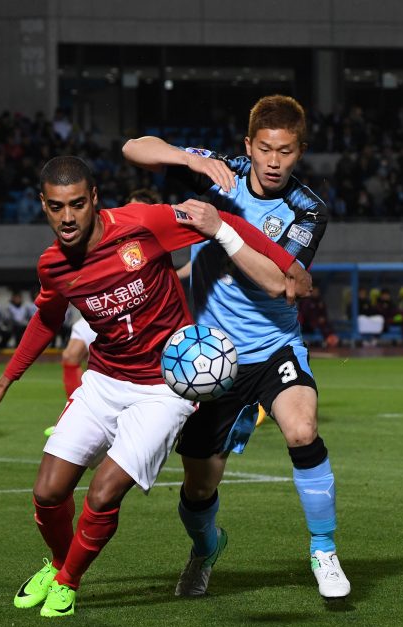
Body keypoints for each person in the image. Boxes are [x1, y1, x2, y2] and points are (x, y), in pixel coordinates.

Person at [0, 156, 302, 618]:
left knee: (102, 495)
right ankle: (59, 564)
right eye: (56, 207)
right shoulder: (53, 266)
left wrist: (287, 263)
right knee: (47, 493)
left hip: (164, 389)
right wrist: (6, 379)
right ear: (43, 205)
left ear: (94, 198)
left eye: (77, 204)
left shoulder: (144, 223)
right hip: (104, 381)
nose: (68, 217)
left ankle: (68, 583)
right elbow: (46, 318)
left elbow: (225, 221)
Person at [122, 94, 351, 599]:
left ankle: (324, 549)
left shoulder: (307, 208)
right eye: (265, 148)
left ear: (300, 151)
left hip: (274, 347)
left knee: (301, 427)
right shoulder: (219, 172)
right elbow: (133, 147)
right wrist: (188, 159)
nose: (274, 161)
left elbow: (278, 281)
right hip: (210, 359)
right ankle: (206, 549)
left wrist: (220, 228)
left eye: (286, 151)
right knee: (199, 487)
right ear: (249, 145)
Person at [58, 187, 161, 398]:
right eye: (129, 207)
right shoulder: (110, 230)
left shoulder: (155, 239)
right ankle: (75, 411)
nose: (133, 214)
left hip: (142, 314)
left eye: (139, 209)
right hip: (105, 307)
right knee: (70, 356)